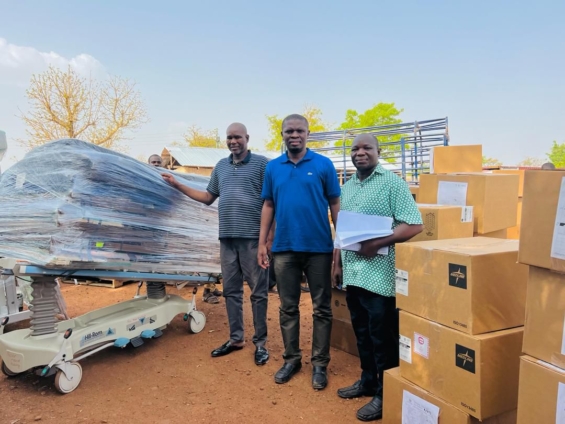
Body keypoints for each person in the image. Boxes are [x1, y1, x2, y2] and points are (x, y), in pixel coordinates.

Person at [162, 123, 271, 366]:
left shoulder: (262, 165)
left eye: (238, 137)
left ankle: (261, 344)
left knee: (258, 293)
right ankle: (236, 339)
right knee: (231, 291)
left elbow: (272, 201)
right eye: (229, 137)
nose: (233, 141)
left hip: (253, 240)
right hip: (227, 240)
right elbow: (208, 197)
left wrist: (267, 240)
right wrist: (178, 184)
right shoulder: (221, 166)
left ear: (247, 138)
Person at [333, 134, 423, 422]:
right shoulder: (347, 186)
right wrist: (337, 261)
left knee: (382, 338)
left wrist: (378, 243)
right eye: (355, 148)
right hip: (354, 274)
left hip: (381, 277)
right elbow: (344, 229)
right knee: (361, 333)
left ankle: (386, 393)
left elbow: (414, 224)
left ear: (378, 152)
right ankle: (368, 381)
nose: (360, 153)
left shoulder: (393, 183)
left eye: (366, 148)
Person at [258, 114, 340, 390]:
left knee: (322, 308)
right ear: (282, 134)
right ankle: (292, 359)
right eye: (289, 131)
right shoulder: (273, 168)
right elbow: (268, 205)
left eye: (299, 131)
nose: (294, 135)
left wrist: (340, 244)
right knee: (288, 307)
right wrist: (262, 243)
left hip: (319, 249)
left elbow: (335, 204)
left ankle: (319, 364)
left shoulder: (323, 164)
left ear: (308, 133)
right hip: (284, 249)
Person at [149, 152, 222, 303]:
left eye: (158, 162)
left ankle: (209, 289)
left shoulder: (172, 179)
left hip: (189, 227)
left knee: (209, 256)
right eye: (153, 162)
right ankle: (207, 289)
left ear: (162, 164)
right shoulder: (148, 181)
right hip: (161, 230)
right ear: (148, 164)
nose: (156, 164)